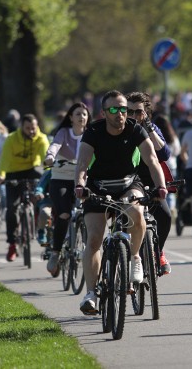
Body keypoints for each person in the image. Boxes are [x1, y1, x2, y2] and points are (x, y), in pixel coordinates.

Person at [75, 90, 168, 315]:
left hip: (128, 183)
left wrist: (161, 186)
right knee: (95, 238)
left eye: (124, 109)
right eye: (114, 109)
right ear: (104, 112)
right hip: (98, 186)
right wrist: (80, 185)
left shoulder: (135, 129)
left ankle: (135, 257)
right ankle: (91, 294)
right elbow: (83, 164)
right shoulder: (94, 131)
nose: (121, 114)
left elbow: (152, 159)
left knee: (136, 212)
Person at [126, 92, 173, 275]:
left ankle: (157, 252)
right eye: (129, 111)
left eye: (138, 112)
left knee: (165, 216)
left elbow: (164, 154)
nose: (133, 116)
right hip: (127, 182)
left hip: (150, 181)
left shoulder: (151, 128)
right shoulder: (120, 128)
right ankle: (124, 257)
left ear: (145, 113)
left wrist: (147, 127)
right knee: (124, 221)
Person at [43, 102, 90, 277]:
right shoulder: (64, 133)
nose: (81, 117)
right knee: (63, 214)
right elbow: (55, 145)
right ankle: (55, 252)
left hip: (83, 181)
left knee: (90, 214)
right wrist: (50, 156)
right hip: (61, 178)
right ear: (70, 117)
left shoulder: (90, 134)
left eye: (84, 114)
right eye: (78, 114)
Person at [0, 114, 50, 262]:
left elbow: (46, 159)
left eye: (33, 128)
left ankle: (41, 229)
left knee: (42, 199)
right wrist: (1, 175)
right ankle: (12, 244)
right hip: (13, 172)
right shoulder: (12, 139)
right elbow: (4, 159)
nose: (31, 131)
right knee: (11, 208)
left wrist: (48, 174)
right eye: (27, 128)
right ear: (21, 127)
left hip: (32, 171)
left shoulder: (41, 138)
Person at [153, 114, 181, 218]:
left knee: (160, 187)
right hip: (172, 165)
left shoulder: (155, 135)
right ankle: (171, 208)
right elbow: (177, 151)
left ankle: (162, 209)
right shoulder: (173, 136)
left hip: (159, 165)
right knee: (170, 188)